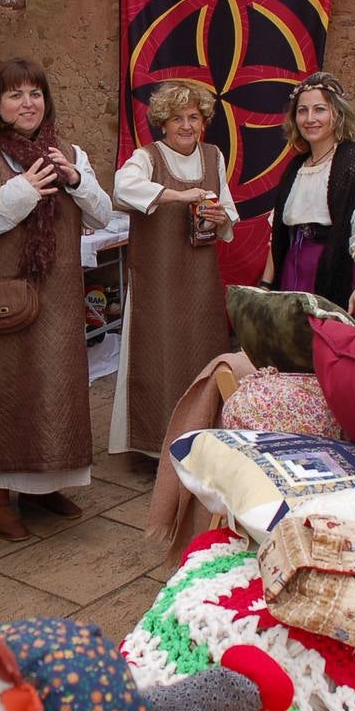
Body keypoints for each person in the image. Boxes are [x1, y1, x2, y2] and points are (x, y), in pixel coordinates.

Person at [0, 58, 113, 541]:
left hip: (55, 299)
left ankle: (45, 485)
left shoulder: (69, 153)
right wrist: (21, 191)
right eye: (15, 95)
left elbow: (101, 215)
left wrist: (76, 182)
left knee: (54, 390)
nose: (27, 103)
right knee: (4, 393)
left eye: (34, 93)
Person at [109, 81, 237, 456]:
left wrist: (217, 216)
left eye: (193, 117)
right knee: (158, 355)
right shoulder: (148, 157)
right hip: (157, 278)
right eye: (177, 118)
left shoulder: (213, 157)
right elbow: (122, 188)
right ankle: (154, 446)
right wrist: (179, 196)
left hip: (199, 278)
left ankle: (201, 440)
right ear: (163, 122)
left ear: (204, 122)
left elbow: (227, 215)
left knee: (200, 349)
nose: (186, 125)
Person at [260, 71, 355, 325]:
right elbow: (279, 233)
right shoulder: (295, 168)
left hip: (343, 272)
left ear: (337, 114)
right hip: (296, 272)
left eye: (319, 109)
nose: (310, 119)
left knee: (338, 353)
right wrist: (266, 285)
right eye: (302, 111)